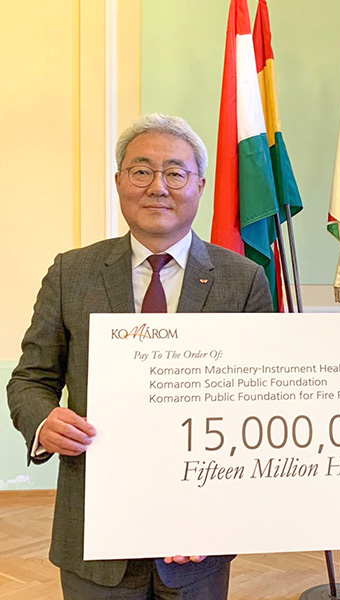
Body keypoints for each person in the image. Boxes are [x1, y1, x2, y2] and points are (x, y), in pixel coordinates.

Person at [7, 113, 273, 599]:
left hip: (198, 536)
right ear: (118, 182)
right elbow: (30, 379)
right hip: (93, 531)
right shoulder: (71, 272)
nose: (158, 187)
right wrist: (44, 421)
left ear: (200, 186)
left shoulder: (243, 280)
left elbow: (260, 401)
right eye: (141, 171)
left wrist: (221, 511)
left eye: (175, 172)